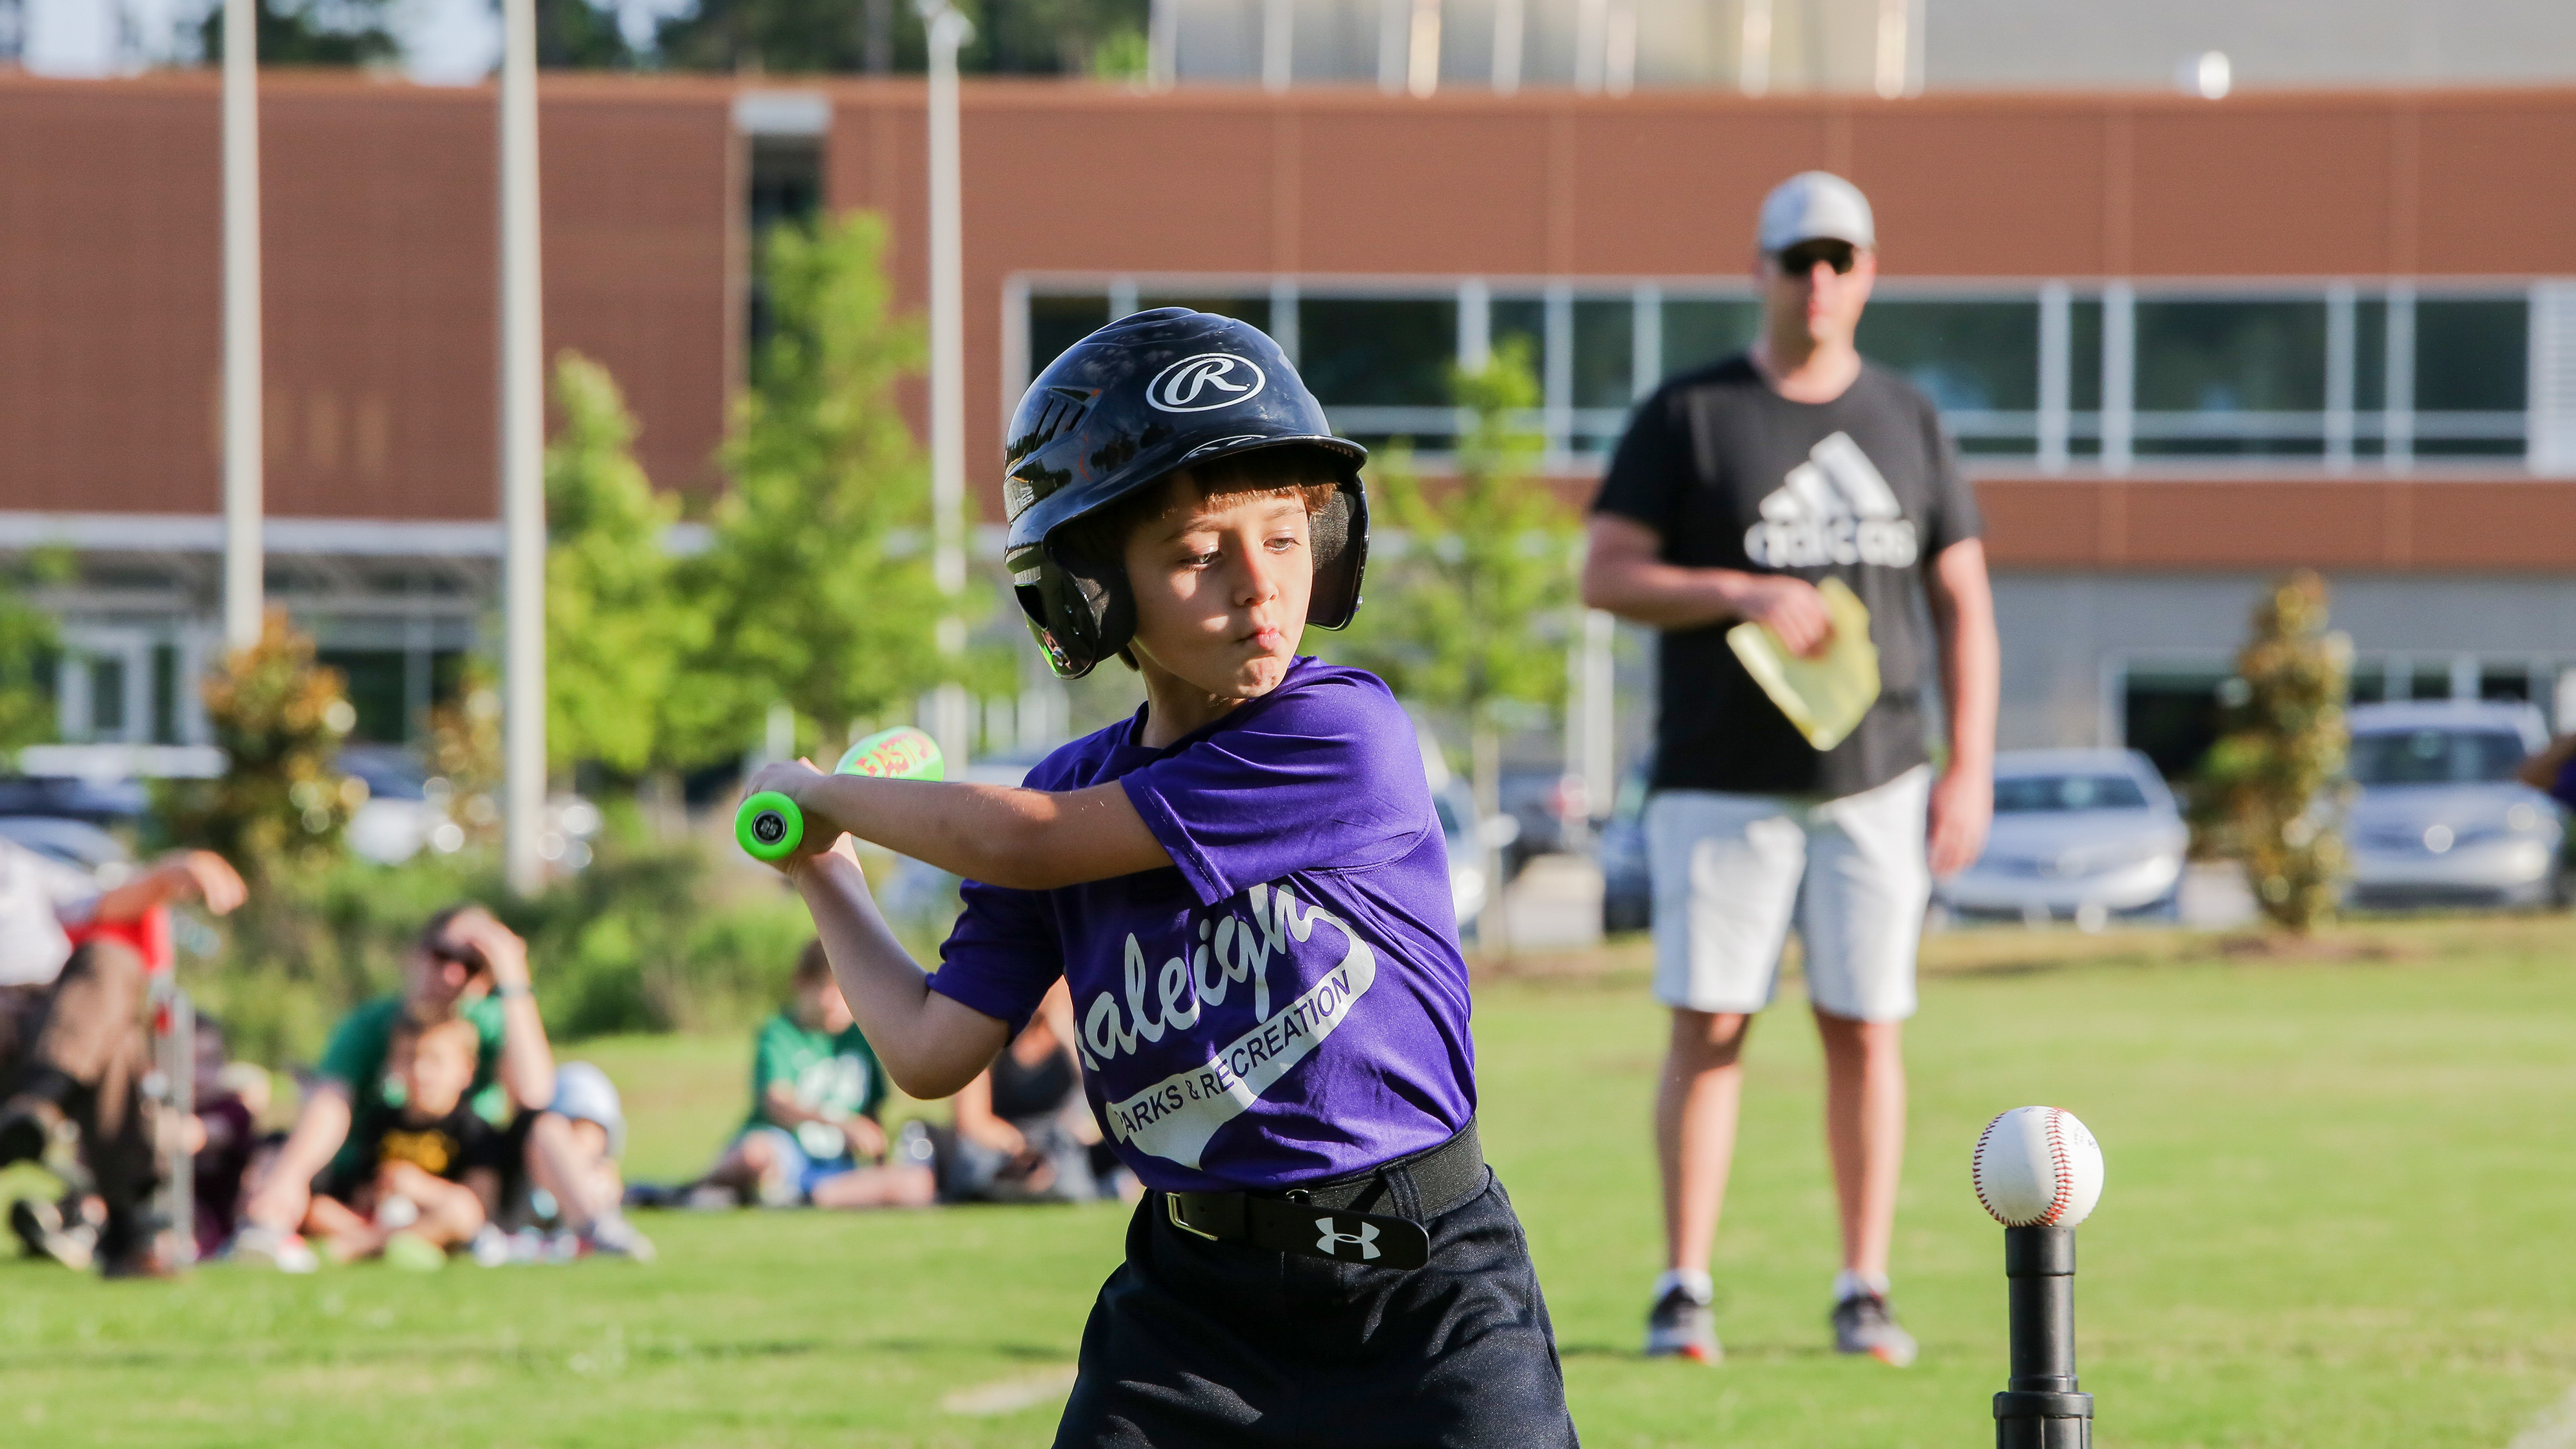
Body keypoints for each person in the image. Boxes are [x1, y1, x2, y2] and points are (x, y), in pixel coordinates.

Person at [745, 308, 1576, 1449]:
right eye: (1198, 555)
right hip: (1191, 1319)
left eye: (1284, 537)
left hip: (1423, 1299)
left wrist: (826, 789)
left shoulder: (1338, 735)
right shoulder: (1069, 785)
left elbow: (1026, 841)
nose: (1259, 585)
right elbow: (931, 1051)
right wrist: (825, 869)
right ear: (1088, 587)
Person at [1582, 171, 2001, 1366]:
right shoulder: (1690, 414)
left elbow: (1961, 600)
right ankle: (1682, 1288)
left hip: (1874, 779)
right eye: (1795, 259)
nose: (1816, 281)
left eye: (1839, 259)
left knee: (1864, 1027)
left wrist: (1967, 765)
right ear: (1757, 270)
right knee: (1708, 1027)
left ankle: (1862, 1286)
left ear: (1865, 274)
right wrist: (1739, 590)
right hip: (1720, 780)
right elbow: (1603, 573)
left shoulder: (1907, 417)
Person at [237, 905, 651, 1266]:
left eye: (472, 964)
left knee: (557, 1118)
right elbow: (331, 1105)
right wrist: (286, 1182)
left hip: (469, 1173)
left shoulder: (492, 1020)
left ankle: (598, 1230)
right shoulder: (371, 1025)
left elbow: (535, 1097)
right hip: (379, 1173)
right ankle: (269, 1227)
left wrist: (512, 980)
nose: (452, 974)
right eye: (441, 955)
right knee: (284, 1154)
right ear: (414, 955)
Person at [0, 844, 246, 1277]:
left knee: (112, 960)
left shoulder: (17, 864)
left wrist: (173, 870)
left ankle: (39, 1102)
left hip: (46, 1019)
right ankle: (133, 1225)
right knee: (111, 1041)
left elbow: (104, 903)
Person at [695, 942, 933, 1209]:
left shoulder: (862, 1038)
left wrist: (879, 1158)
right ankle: (695, 1188)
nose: (843, 1004)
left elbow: (872, 1114)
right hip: (784, 1152)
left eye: (851, 993)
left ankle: (799, 1199)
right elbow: (778, 1103)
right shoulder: (780, 1033)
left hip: (835, 1165)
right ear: (802, 984)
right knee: (756, 1155)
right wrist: (841, 1123)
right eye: (833, 990)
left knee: (916, 1184)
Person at [299, 1014, 505, 1268]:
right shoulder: (379, 1120)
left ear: (466, 1070)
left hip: (435, 1219)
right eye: (409, 1058)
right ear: (393, 1064)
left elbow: (479, 1203)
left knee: (460, 1213)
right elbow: (360, 1190)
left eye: (435, 1060)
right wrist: (381, 1191)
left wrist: (420, 1187)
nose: (420, 1072)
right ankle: (387, 1245)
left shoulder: (474, 1128)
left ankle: (363, 1247)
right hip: (380, 1219)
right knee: (318, 1209)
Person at [944, 979, 1129, 1204]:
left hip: (1060, 1144)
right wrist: (1018, 1146)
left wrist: (1066, 1031)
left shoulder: (1080, 1033)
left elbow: (1108, 1095)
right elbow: (972, 1119)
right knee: (975, 1160)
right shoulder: (988, 1034)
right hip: (1005, 1145)